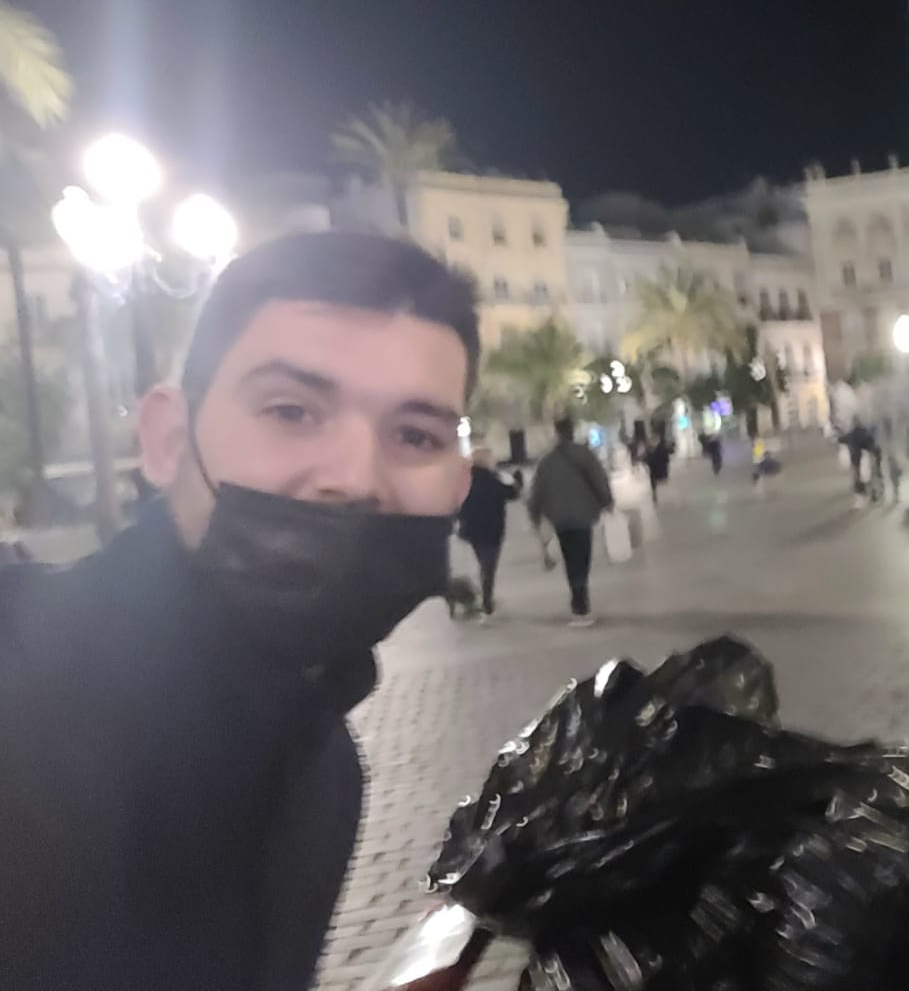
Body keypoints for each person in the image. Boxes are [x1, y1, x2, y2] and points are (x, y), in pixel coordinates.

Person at [0, 231, 478, 990]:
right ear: (166, 439)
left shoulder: (322, 769)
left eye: (415, 435)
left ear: (458, 487)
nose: (354, 477)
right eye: (291, 411)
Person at [528, 417, 613, 627]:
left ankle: (578, 604)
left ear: (556, 433)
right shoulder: (585, 456)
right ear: (572, 432)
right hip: (584, 516)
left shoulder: (547, 461)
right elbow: (599, 479)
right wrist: (607, 502)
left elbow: (536, 491)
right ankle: (582, 604)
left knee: (570, 560)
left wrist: (535, 514)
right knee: (582, 560)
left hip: (560, 518)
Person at [455, 446, 522, 619]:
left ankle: (485, 597)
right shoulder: (493, 479)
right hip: (492, 529)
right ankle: (487, 601)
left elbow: (457, 506)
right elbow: (512, 494)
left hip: (472, 529)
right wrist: (516, 480)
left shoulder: (464, 481)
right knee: (489, 566)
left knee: (484, 563)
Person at [644, 423, 673, 505]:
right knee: (655, 482)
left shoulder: (660, 447)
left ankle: (658, 497)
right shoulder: (651, 448)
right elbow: (647, 458)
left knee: (658, 482)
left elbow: (666, 458)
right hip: (654, 469)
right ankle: (656, 496)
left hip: (659, 469)